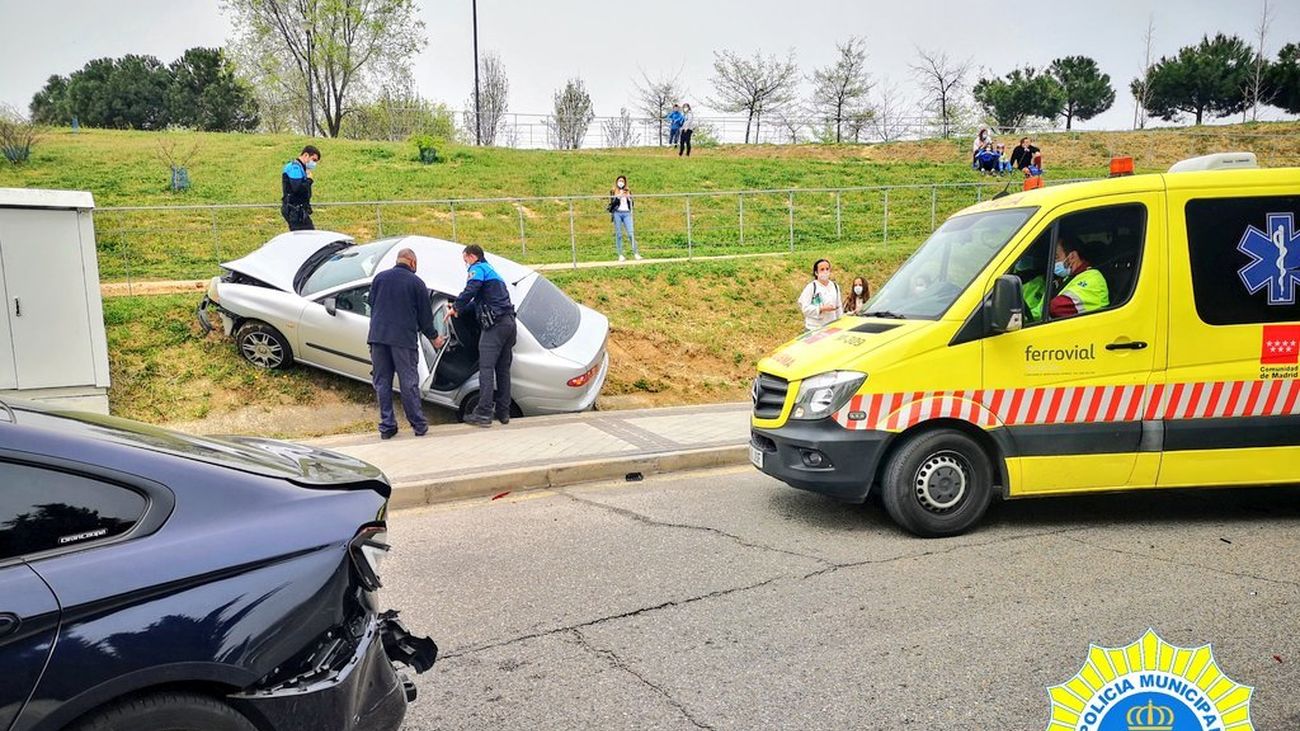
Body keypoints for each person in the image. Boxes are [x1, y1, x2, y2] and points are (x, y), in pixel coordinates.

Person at [367, 248, 440, 439]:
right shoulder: (416, 283)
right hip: (403, 341)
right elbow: (425, 318)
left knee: (382, 382)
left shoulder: (380, 278)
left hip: (378, 338)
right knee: (408, 383)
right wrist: (435, 338)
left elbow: (372, 304)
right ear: (412, 262)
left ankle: (387, 426)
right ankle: (418, 425)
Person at [450, 244, 517, 427]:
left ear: (472, 256)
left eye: (465, 260)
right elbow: (479, 301)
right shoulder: (492, 271)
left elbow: (471, 289)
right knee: (503, 371)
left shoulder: (477, 268)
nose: (466, 265)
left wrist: (456, 306)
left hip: (495, 327)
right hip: (509, 324)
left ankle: (484, 414)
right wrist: (460, 310)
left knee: (486, 370)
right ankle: (503, 413)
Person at [1049, 239, 1109, 319]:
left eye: (1056, 257)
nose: (1054, 263)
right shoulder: (1067, 278)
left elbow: (1056, 307)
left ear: (1072, 256)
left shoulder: (1093, 277)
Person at [281, 145, 320, 231]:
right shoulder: (294, 167)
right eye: (313, 160)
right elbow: (297, 189)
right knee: (306, 236)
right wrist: (309, 180)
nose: (314, 164)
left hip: (299, 210)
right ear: (306, 155)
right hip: (294, 210)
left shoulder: (301, 168)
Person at [798, 258, 843, 331]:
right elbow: (805, 308)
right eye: (822, 269)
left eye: (827, 269)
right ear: (816, 272)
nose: (825, 272)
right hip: (814, 327)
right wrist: (821, 308)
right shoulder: (811, 287)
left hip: (831, 326)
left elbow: (839, 306)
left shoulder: (835, 286)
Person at [608, 175, 641, 262]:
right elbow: (612, 204)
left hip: (626, 213)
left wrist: (629, 197)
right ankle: (620, 254)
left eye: (622, 181)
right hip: (617, 213)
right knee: (619, 234)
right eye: (619, 181)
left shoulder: (628, 190)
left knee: (631, 233)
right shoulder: (613, 191)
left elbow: (632, 204)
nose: (621, 182)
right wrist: (618, 196)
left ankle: (636, 253)